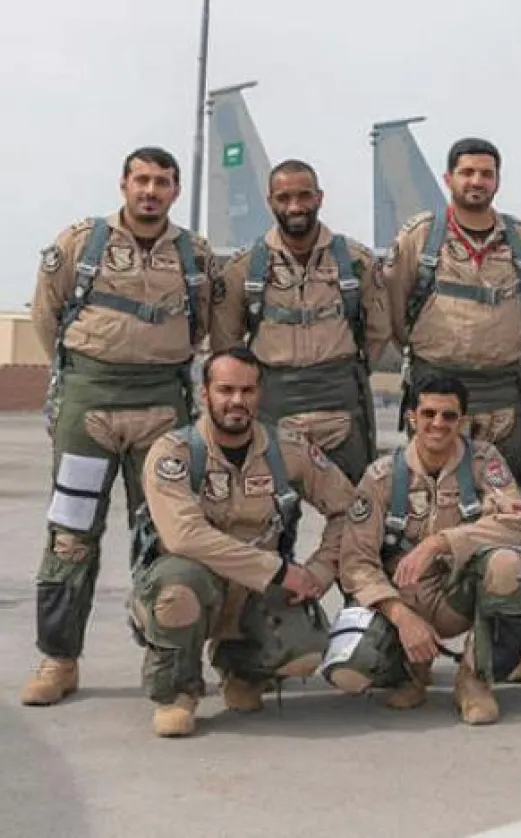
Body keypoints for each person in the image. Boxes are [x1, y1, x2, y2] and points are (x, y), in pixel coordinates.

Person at [23, 146, 217, 707]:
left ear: (176, 190)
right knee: (71, 533)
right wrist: (87, 372)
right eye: (142, 180)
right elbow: (46, 316)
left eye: (162, 182)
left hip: (161, 407)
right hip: (89, 406)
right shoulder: (81, 243)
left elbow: (206, 323)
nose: (150, 191)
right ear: (124, 184)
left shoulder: (195, 254)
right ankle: (59, 659)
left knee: (165, 534)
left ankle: (169, 664)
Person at [128, 348, 357, 737]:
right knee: (178, 595)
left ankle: (241, 669)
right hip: (191, 582)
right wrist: (279, 571)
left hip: (256, 590)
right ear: (204, 393)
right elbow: (184, 535)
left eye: (248, 390)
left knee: (306, 650)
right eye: (226, 390)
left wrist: (318, 571)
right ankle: (177, 692)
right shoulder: (174, 453)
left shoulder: (287, 450)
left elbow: (349, 510)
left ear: (260, 394)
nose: (237, 400)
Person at [327, 376, 521, 725]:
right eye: (428, 414)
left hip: (457, 594)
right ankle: (409, 672)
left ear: (462, 420)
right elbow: (355, 562)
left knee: (507, 564)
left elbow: (514, 523)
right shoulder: (381, 477)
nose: (438, 423)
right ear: (411, 417)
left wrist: (440, 542)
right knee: (351, 671)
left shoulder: (484, 462)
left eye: (449, 416)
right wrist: (400, 615)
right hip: (404, 599)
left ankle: (474, 677)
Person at [211, 158, 389, 485]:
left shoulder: (357, 263)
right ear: (270, 202)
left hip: (340, 401)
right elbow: (226, 342)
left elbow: (380, 331)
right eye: (284, 198)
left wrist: (349, 371)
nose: (295, 207)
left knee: (354, 503)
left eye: (304, 196)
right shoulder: (244, 269)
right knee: (268, 505)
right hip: (274, 400)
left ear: (319, 198)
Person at [383, 137, 521, 479]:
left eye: (486, 174)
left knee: (505, 492)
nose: (476, 181)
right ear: (449, 178)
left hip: (501, 394)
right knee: (433, 491)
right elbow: (393, 306)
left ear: (497, 181)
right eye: (467, 172)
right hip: (437, 391)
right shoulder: (420, 237)